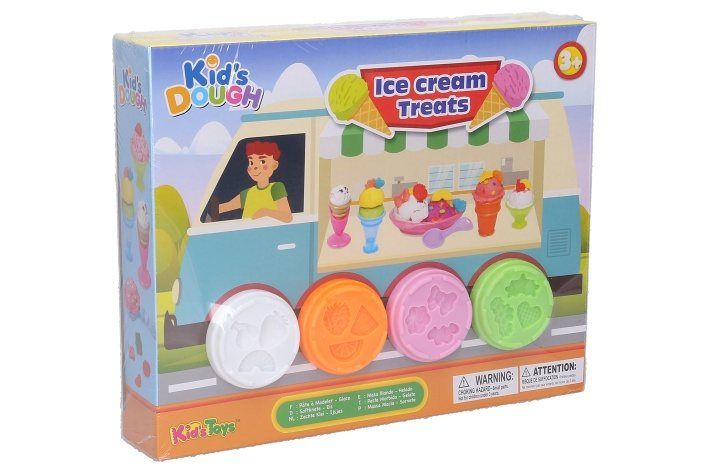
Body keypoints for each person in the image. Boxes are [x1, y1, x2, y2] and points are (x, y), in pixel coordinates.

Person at [215, 140, 293, 222]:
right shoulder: (247, 193)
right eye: (251, 162)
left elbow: (287, 217)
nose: (255, 166)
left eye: (262, 161)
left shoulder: (276, 188)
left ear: (274, 165)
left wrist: (265, 212)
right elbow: (224, 207)